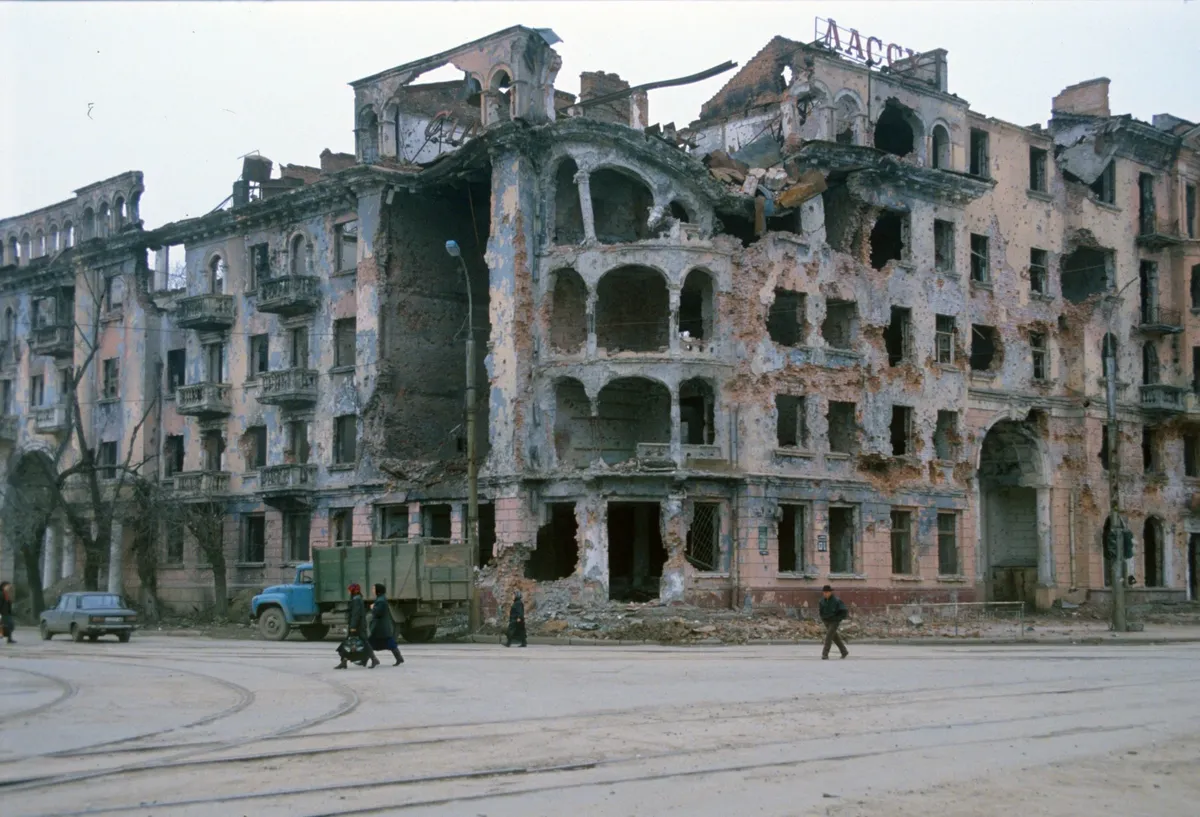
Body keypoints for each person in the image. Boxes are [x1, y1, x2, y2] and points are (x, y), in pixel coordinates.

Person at [336, 583, 379, 669]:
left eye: (349, 590)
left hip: (357, 627)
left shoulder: (356, 599)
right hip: (359, 626)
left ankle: (374, 659)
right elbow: (353, 611)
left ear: (353, 590)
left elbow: (356, 614)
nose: (348, 592)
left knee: (354, 643)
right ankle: (344, 661)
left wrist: (353, 627)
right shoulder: (358, 598)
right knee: (353, 643)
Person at [369, 583, 404, 666]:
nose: (372, 590)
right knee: (388, 643)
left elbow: (378, 613)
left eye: (374, 589)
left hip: (380, 627)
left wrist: (373, 607)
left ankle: (372, 660)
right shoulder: (381, 598)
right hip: (381, 627)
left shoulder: (381, 600)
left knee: (369, 644)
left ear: (378, 590)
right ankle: (399, 658)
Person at [818, 584, 849, 660]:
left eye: (827, 592)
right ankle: (844, 651)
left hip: (834, 621)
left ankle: (825, 654)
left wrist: (838, 619)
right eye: (824, 592)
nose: (825, 594)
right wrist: (823, 618)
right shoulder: (822, 601)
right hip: (826, 621)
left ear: (830, 592)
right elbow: (820, 611)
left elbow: (844, 611)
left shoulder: (836, 600)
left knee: (828, 637)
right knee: (835, 637)